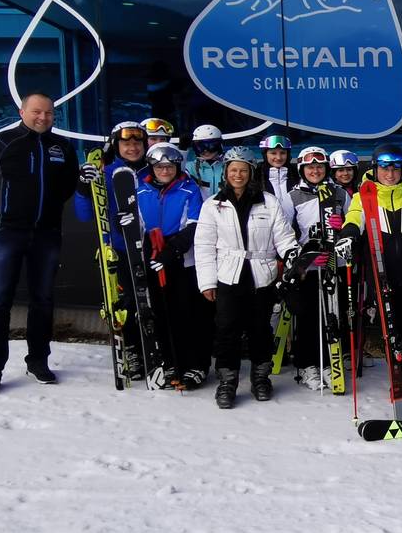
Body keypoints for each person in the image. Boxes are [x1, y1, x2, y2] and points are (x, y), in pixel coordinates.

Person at [0, 92, 81, 393]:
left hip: (46, 234)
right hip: (6, 233)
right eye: (36, 112)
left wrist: (51, 210)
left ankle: (38, 361)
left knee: (42, 299)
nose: (43, 118)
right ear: (22, 111)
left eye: (49, 113)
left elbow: (68, 185)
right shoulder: (1, 143)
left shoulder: (63, 147)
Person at [194, 146, 300, 409]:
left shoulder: (268, 201)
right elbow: (204, 245)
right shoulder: (213, 205)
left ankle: (260, 377)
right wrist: (207, 282)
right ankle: (227, 381)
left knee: (260, 330)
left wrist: (293, 259)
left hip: (261, 275)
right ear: (226, 173)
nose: (238, 175)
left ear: (251, 172)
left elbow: (284, 237)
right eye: (233, 170)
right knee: (227, 330)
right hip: (228, 275)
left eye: (243, 170)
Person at [336, 144, 402, 402]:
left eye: (395, 168)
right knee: (392, 328)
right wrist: (348, 235)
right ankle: (401, 377)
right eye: (384, 168)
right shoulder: (365, 195)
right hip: (382, 272)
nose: (390, 174)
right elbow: (354, 218)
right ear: (375, 168)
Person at [73, 120, 151, 373]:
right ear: (116, 145)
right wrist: (84, 187)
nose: (132, 148)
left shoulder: (156, 169)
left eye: (137, 142)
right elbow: (85, 215)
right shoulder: (105, 172)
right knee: (128, 303)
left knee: (152, 302)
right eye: (126, 143)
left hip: (152, 248)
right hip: (119, 248)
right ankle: (132, 350)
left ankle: (154, 348)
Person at [136, 142, 207, 388]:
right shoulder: (141, 189)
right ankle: (169, 362)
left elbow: (195, 223)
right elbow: (139, 224)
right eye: (160, 166)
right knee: (160, 311)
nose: (165, 171)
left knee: (186, 313)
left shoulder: (189, 189)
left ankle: (195, 365)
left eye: (170, 166)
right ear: (152, 167)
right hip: (154, 255)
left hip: (182, 258)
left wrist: (173, 249)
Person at [284, 146, 349, 390]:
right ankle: (307, 364)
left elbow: (355, 225)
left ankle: (328, 364)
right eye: (310, 167)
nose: (315, 170)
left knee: (332, 315)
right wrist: (303, 258)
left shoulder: (339, 193)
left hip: (334, 264)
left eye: (319, 166)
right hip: (307, 267)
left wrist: (342, 225)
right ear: (302, 169)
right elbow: (285, 233)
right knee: (309, 316)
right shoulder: (292, 196)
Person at [260, 133, 298, 223]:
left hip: (296, 233)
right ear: (265, 155)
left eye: (282, 153)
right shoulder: (256, 176)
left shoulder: (298, 174)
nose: (278, 157)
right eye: (273, 153)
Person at [185, 124, 225, 196]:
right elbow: (176, 174)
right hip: (200, 206)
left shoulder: (229, 166)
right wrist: (183, 150)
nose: (206, 151)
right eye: (200, 147)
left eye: (211, 146)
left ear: (219, 145)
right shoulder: (190, 167)